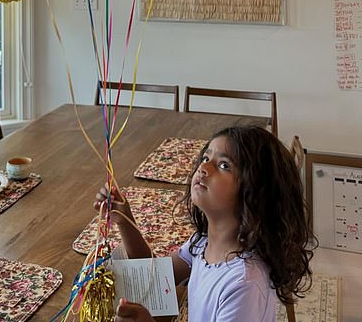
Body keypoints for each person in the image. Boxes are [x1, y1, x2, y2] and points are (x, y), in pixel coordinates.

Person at [94, 125, 315, 321]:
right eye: (205, 158)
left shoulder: (243, 286)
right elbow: (154, 280)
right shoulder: (202, 243)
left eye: (225, 165)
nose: (204, 168)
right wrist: (124, 221)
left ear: (255, 193)